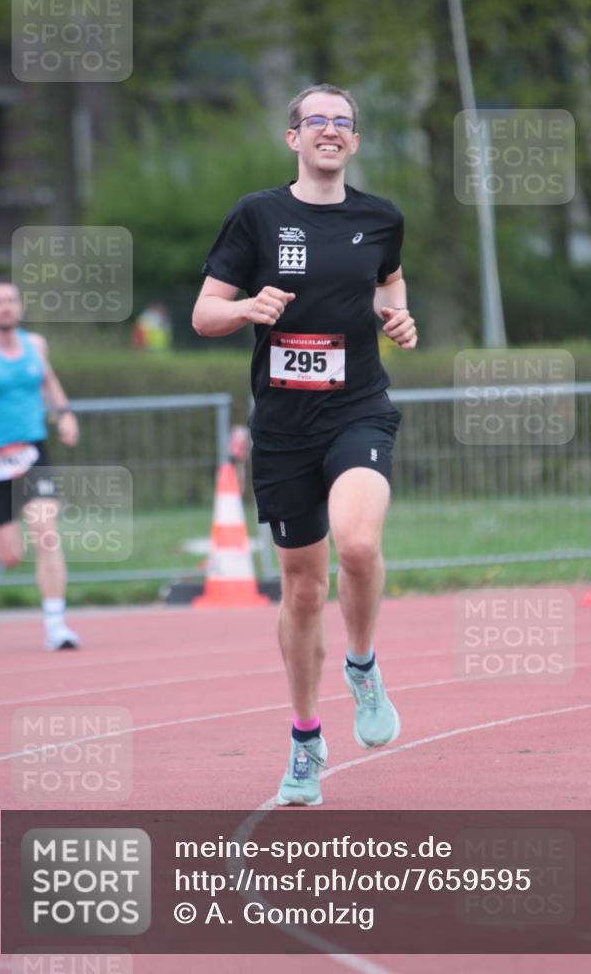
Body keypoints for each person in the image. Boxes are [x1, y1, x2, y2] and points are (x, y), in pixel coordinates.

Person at [192, 84, 418, 805]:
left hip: (357, 409)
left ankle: (361, 665)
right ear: (292, 137)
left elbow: (388, 281)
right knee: (299, 587)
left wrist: (398, 318)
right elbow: (203, 314)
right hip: (284, 426)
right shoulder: (258, 215)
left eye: (341, 122)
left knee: (355, 544)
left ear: (353, 141)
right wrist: (245, 308)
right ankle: (304, 737)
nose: (329, 130)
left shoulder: (381, 217)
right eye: (315, 120)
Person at [0, 278, 81, 651]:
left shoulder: (35, 345)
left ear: (19, 306)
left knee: (45, 528)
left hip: (32, 452)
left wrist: (65, 414)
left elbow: (49, 381)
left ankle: (56, 625)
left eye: (10, 300)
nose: (5, 307)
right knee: (10, 555)